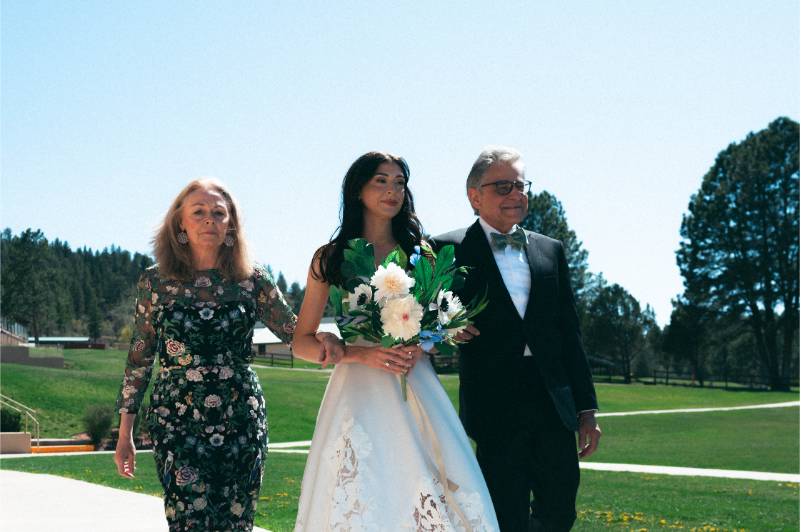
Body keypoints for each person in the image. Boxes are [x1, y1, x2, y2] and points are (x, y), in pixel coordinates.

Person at [292, 151, 499, 531]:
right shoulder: (329, 258)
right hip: (356, 392)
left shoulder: (422, 254)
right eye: (381, 181)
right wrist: (357, 353)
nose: (393, 190)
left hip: (416, 384)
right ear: (358, 190)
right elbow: (300, 343)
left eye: (400, 183)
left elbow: (435, 322)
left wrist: (433, 336)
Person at [429, 146, 602, 532]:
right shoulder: (445, 249)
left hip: (553, 401)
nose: (516, 194)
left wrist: (586, 409)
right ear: (475, 196)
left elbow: (569, 332)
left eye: (521, 185)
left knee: (560, 509)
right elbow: (423, 311)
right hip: (494, 404)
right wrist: (445, 322)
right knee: (505, 515)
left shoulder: (550, 250)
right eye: (503, 186)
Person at [113, 177, 296, 532]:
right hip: (176, 419)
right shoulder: (154, 283)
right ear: (180, 222)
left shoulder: (253, 279)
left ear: (231, 225)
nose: (209, 219)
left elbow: (295, 335)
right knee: (188, 520)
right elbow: (139, 360)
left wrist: (354, 346)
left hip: (241, 417)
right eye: (198, 211)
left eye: (219, 212)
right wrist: (125, 435)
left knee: (236, 522)